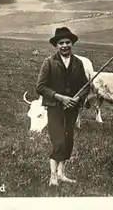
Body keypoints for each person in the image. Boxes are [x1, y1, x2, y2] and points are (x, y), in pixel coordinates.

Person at [36, 27, 90, 186]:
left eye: (67, 42)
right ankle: (52, 175)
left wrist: (78, 98)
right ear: (56, 45)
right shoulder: (49, 63)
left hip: (72, 109)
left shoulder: (78, 63)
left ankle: (61, 173)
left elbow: (86, 85)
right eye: (61, 43)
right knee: (58, 141)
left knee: (68, 141)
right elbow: (40, 87)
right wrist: (61, 98)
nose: (65, 45)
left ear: (71, 43)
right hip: (55, 107)